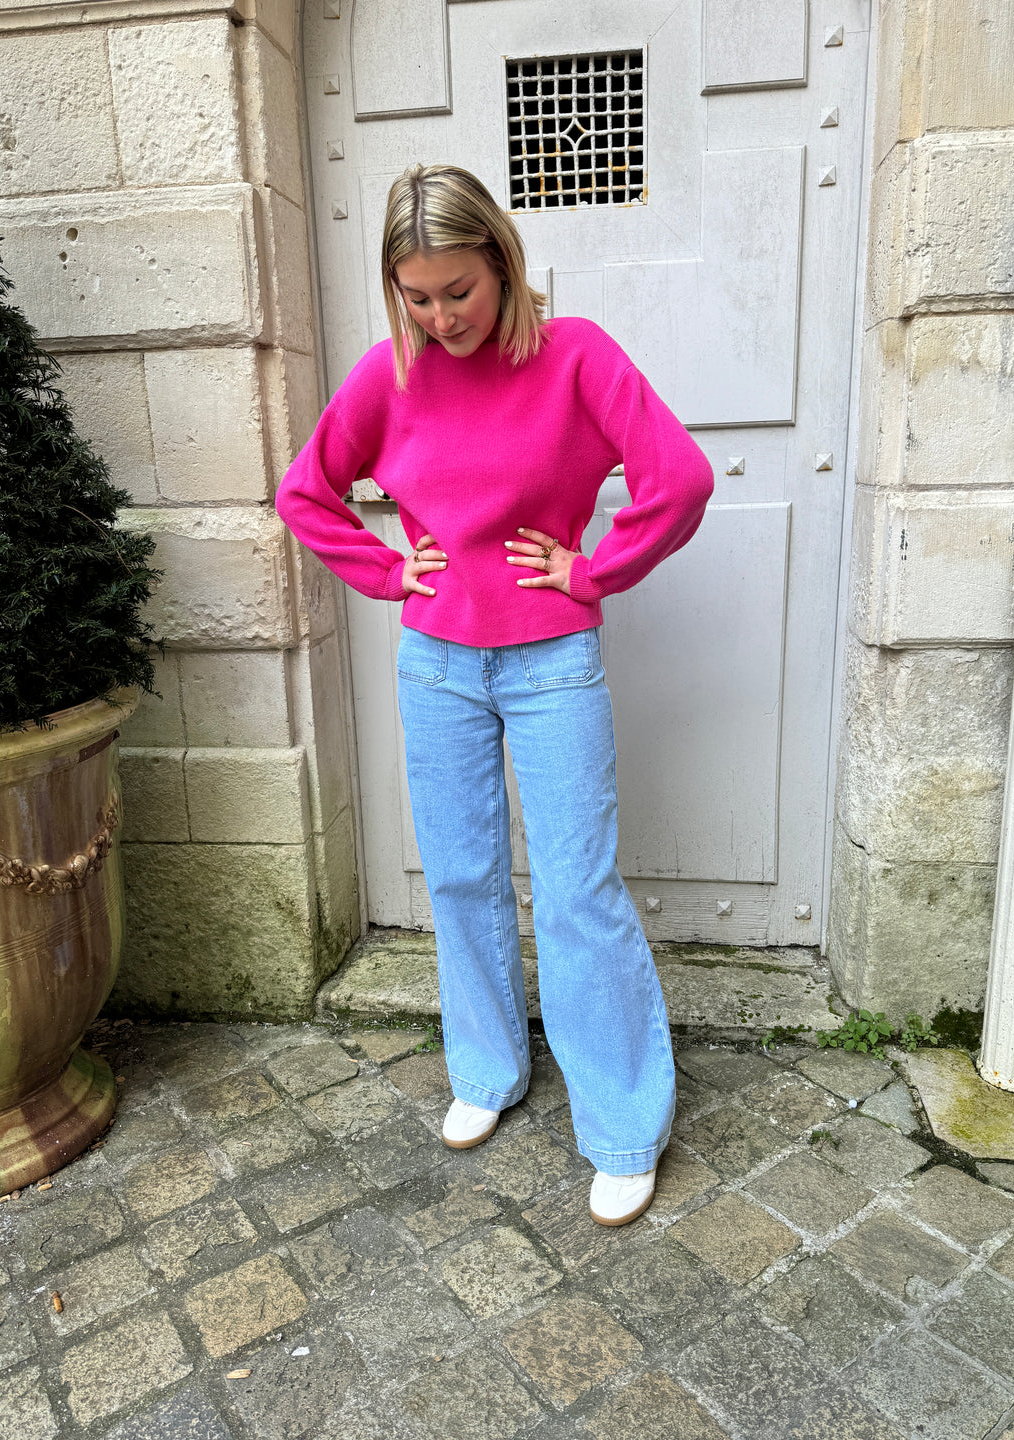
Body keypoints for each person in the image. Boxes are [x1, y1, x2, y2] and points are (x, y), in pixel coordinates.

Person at [276, 163, 713, 1226]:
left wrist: (592, 569)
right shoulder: (390, 375)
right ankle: (487, 1069)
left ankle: (622, 1126)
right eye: (417, 296)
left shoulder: (578, 356)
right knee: (461, 875)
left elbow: (680, 480)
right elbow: (307, 492)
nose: (441, 316)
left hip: (552, 660)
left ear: (503, 265)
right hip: (436, 661)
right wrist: (391, 571)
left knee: (576, 889)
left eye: (459, 291)